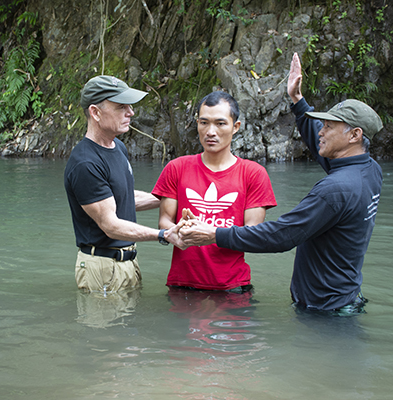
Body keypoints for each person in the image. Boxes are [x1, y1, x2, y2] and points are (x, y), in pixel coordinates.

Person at [180, 52, 383, 314]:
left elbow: (282, 236)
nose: (321, 130)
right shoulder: (368, 170)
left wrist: (214, 234)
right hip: (346, 293)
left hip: (325, 308)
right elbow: (326, 148)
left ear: (355, 135)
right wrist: (298, 102)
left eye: (330, 126)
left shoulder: (334, 190)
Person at [64, 75, 185, 292]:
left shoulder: (117, 147)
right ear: (95, 112)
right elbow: (110, 225)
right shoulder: (85, 163)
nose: (131, 112)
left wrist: (176, 196)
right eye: (121, 107)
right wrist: (163, 234)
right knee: (106, 326)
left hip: (127, 261)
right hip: (101, 266)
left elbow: (125, 197)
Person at [152, 91, 277, 292]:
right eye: (204, 123)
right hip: (183, 284)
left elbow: (254, 234)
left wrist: (213, 234)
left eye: (220, 123)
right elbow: (165, 221)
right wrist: (177, 231)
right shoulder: (176, 168)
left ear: (235, 127)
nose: (210, 132)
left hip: (233, 287)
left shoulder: (253, 174)